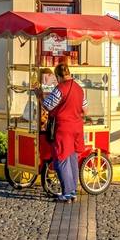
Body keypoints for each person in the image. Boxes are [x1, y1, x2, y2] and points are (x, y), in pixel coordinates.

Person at [41, 62, 85, 203]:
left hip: (63, 128)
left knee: (61, 159)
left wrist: (39, 96)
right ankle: (72, 192)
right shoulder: (79, 89)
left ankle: (66, 194)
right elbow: (86, 110)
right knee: (72, 159)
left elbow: (47, 106)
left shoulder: (60, 89)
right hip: (77, 127)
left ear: (59, 76)